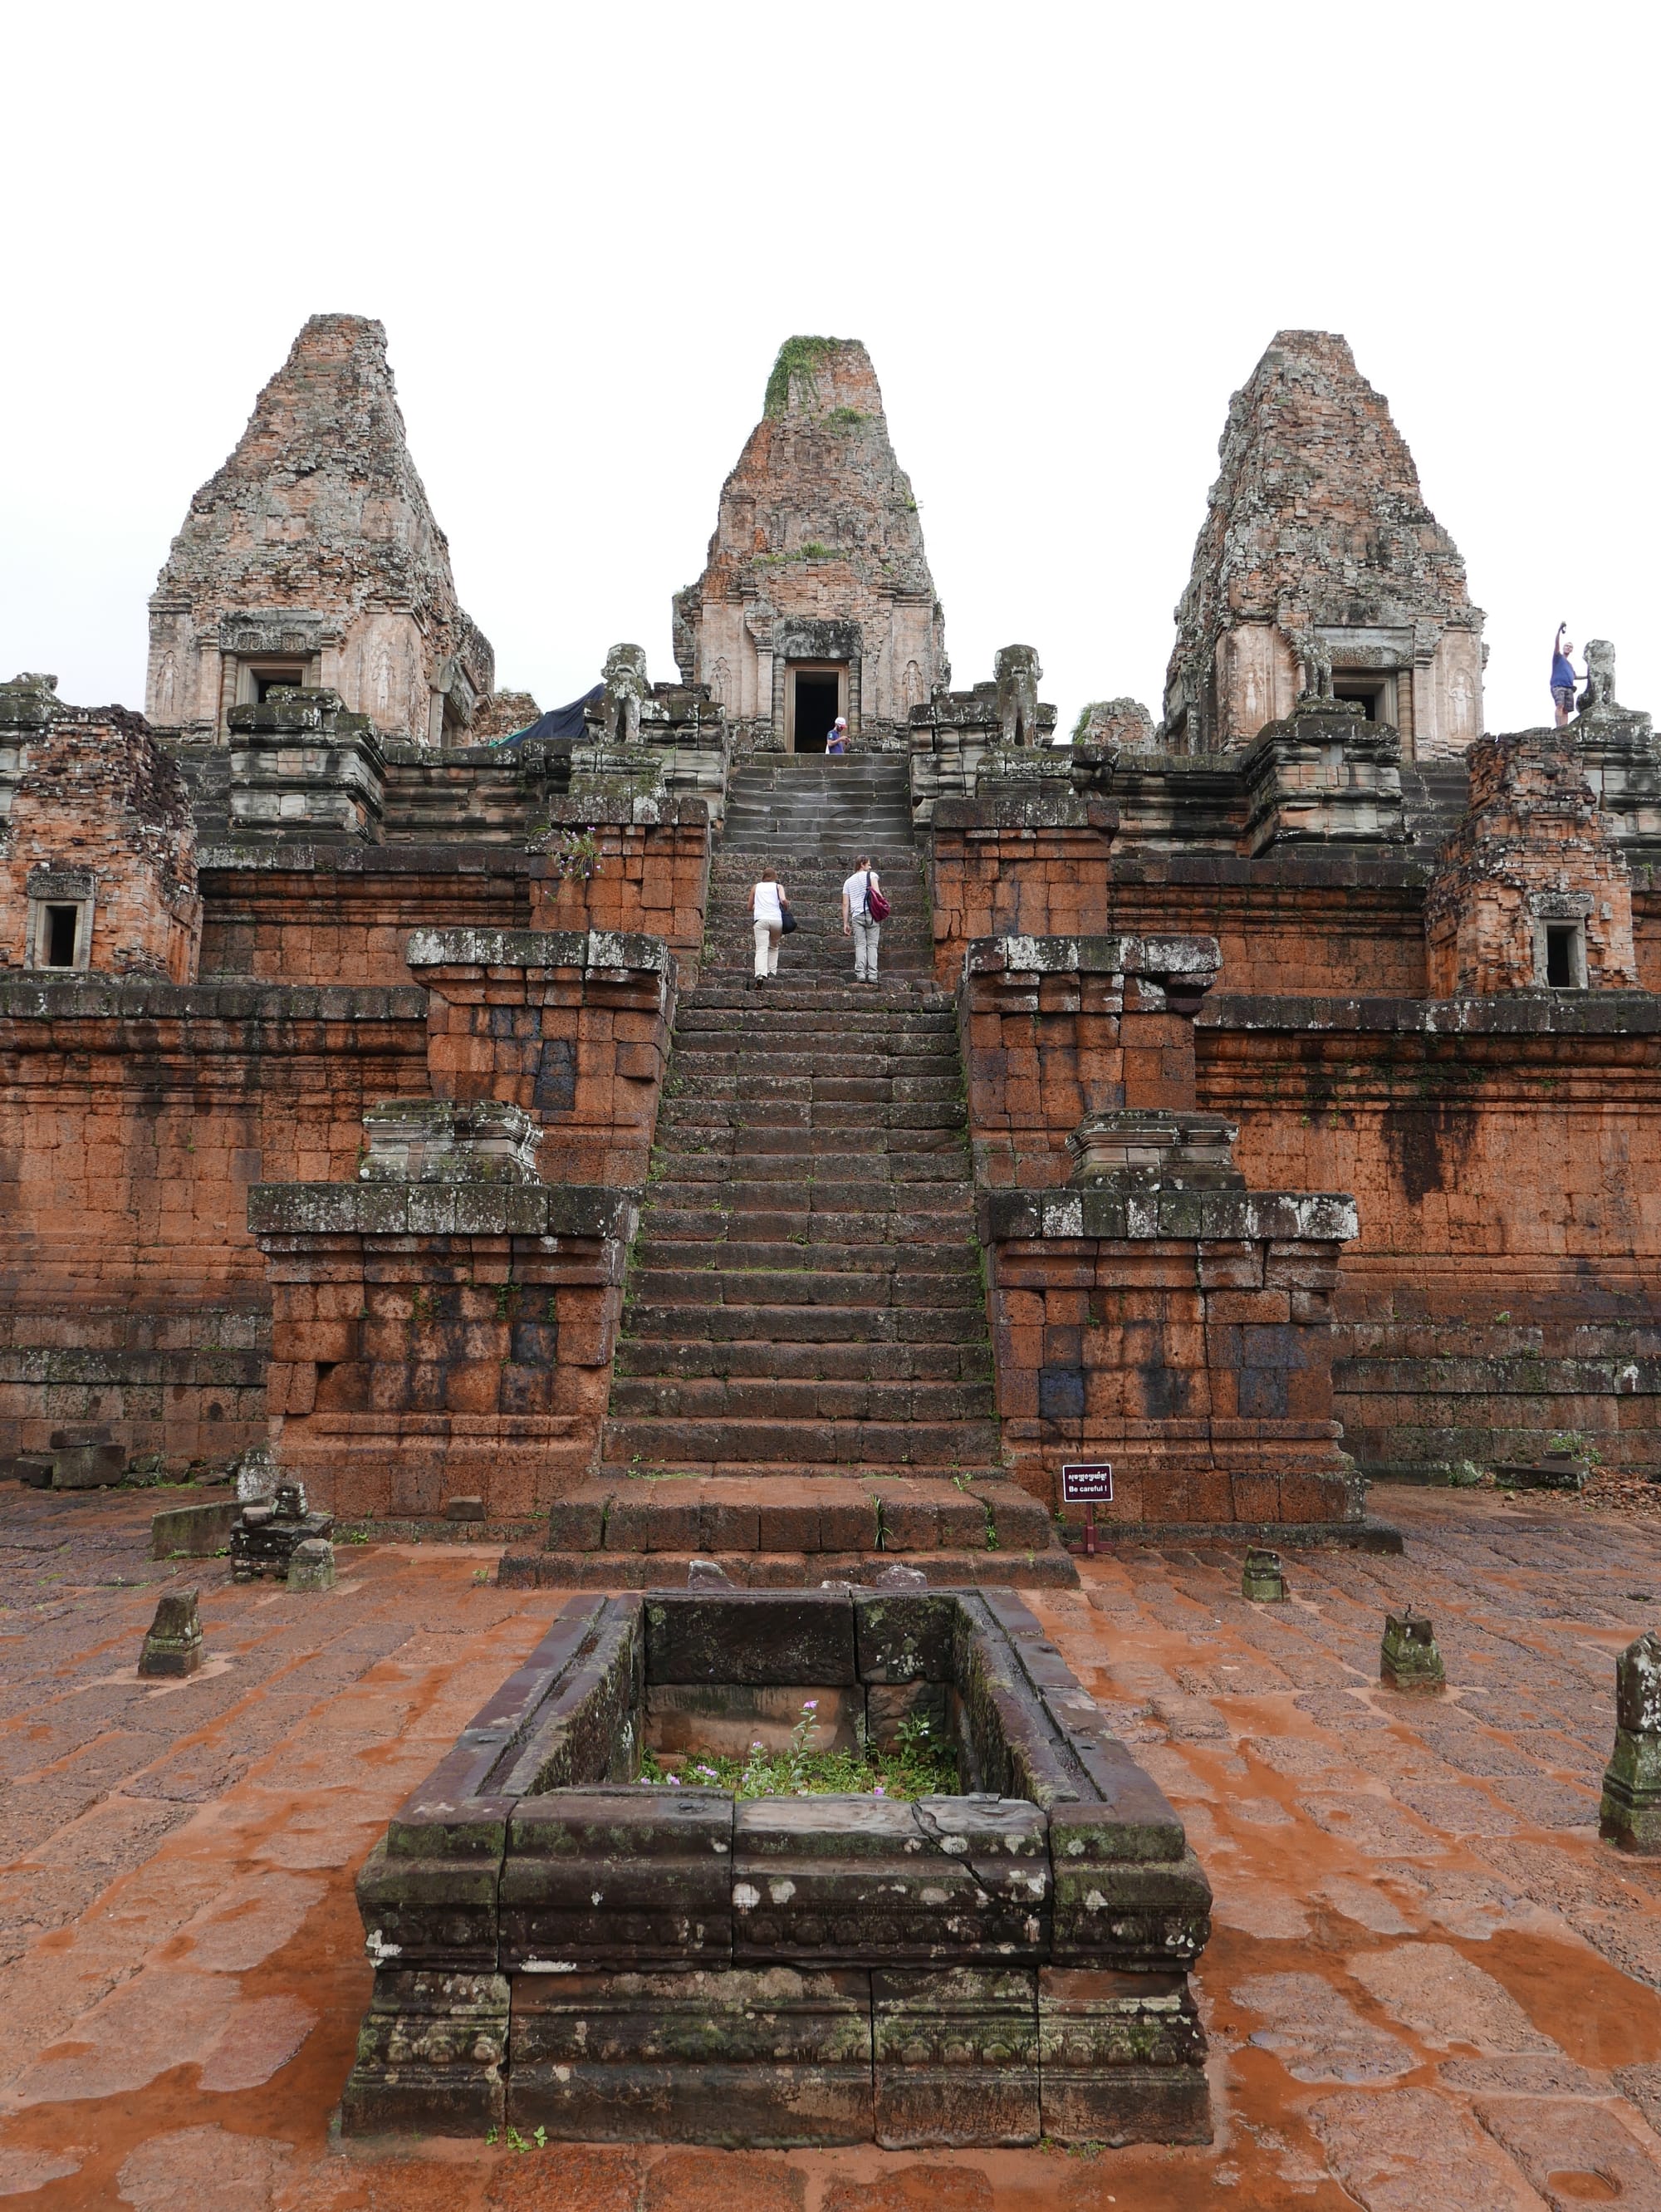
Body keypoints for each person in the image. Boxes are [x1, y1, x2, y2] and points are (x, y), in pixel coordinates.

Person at [841, 853, 881, 984]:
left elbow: (845, 904)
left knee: (860, 945)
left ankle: (860, 974)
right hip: (871, 914)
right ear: (862, 865)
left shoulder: (848, 882)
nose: (870, 867)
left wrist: (845, 923)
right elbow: (877, 894)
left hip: (857, 915)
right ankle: (873, 975)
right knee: (872, 945)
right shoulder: (872, 876)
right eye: (868, 864)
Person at [748, 864, 788, 988]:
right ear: (774, 877)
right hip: (776, 920)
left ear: (763, 876)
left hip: (761, 920)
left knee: (761, 948)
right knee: (774, 946)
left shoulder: (756, 887)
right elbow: (783, 900)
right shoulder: (778, 887)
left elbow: (749, 907)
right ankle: (772, 972)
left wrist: (758, 907)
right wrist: (786, 905)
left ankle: (760, 974)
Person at [1551, 625, 1580, 728]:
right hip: (1558, 685)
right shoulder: (1558, 657)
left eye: (1570, 647)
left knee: (1566, 710)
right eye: (1567, 646)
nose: (1568, 647)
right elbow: (1556, 644)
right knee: (1560, 705)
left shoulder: (1569, 665)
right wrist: (1559, 630)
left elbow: (1575, 677)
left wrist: (1589, 676)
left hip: (1569, 687)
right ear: (1564, 648)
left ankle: (1564, 728)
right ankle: (1559, 727)